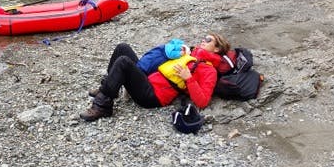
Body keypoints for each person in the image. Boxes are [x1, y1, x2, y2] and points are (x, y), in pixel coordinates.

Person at [80, 33, 231, 121]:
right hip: (148, 81)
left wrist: (188, 78)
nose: (203, 40)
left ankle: (102, 106)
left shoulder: (209, 70)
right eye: (204, 38)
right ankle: (108, 88)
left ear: (217, 49)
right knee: (122, 48)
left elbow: (203, 101)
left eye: (208, 40)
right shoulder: (191, 54)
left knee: (124, 62)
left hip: (152, 96)